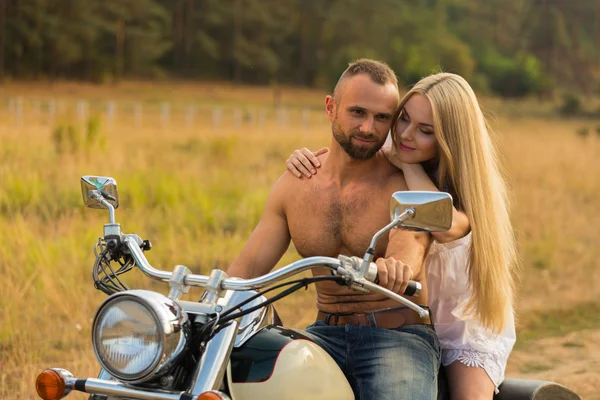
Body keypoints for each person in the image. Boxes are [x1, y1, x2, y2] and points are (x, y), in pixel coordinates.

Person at [285, 72, 517, 400]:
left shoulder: (454, 189)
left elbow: (437, 219)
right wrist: (302, 159)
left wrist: (407, 167)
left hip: (460, 325)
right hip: (411, 313)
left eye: (425, 131)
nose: (406, 135)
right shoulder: (399, 150)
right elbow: (348, 158)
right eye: (403, 119)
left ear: (449, 140)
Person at [227, 59, 441, 400]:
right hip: (323, 334)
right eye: (357, 112)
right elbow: (248, 269)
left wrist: (397, 267)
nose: (369, 128)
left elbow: (410, 245)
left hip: (397, 339)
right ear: (331, 107)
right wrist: (209, 307)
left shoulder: (406, 183)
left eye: (382, 117)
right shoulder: (295, 185)